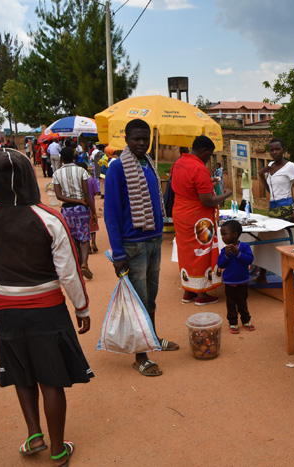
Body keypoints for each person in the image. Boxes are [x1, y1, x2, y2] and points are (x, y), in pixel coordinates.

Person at [0, 148, 92, 467]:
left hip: (5, 310)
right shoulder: (49, 218)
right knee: (51, 379)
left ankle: (33, 434)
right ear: (29, 175)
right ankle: (57, 449)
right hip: (47, 310)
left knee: (21, 371)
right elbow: (69, 271)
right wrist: (81, 309)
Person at [104, 119, 179, 377]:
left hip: (154, 240)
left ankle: (153, 339)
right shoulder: (117, 168)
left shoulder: (148, 163)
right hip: (132, 246)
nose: (141, 143)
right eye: (136, 138)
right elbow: (111, 213)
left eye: (145, 139)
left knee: (152, 298)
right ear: (126, 139)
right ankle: (141, 356)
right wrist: (118, 253)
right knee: (140, 301)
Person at [172, 135, 232, 305]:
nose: (209, 159)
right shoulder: (199, 168)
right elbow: (207, 200)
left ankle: (188, 290)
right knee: (202, 252)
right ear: (203, 150)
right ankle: (202, 294)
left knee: (187, 252)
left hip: (181, 214)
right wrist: (225, 195)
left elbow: (189, 186)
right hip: (198, 217)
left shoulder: (179, 162)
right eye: (209, 155)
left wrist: (208, 182)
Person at [255, 137, 294, 282]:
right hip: (273, 211)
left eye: (278, 149)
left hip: (287, 211)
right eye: (271, 150)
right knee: (265, 240)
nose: (274, 152)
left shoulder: (291, 166)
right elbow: (270, 190)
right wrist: (261, 174)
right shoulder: (269, 165)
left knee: (288, 243)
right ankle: (262, 275)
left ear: (283, 149)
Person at [53, 147, 95, 279]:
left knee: (74, 237)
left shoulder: (56, 174)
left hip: (67, 210)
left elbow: (59, 196)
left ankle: (78, 264)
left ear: (61, 158)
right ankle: (85, 263)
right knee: (84, 237)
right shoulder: (81, 171)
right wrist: (93, 211)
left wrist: (73, 200)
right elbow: (87, 193)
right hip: (82, 209)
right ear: (74, 156)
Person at [217, 220, 256, 334]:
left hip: (242, 282)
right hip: (229, 283)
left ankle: (246, 321)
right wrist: (227, 255)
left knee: (242, 303)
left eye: (225, 234)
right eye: (222, 235)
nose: (223, 237)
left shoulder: (244, 247)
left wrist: (237, 253)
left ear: (235, 234)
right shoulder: (224, 250)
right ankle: (233, 323)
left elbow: (249, 260)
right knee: (231, 304)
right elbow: (220, 264)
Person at [78, 161, 100, 254]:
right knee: (93, 226)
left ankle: (87, 248)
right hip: (91, 206)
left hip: (81, 207)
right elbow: (95, 191)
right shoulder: (91, 179)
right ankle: (93, 243)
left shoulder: (78, 179)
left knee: (84, 227)